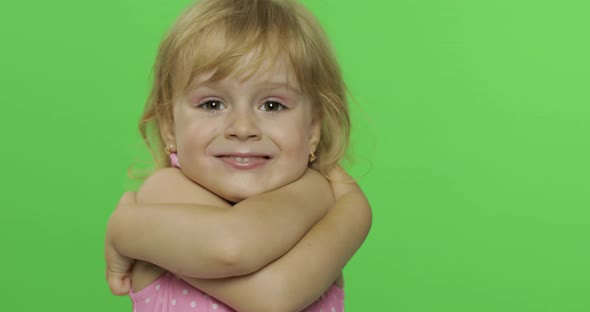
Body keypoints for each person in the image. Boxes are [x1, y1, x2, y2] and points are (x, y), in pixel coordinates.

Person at [105, 0, 372, 311]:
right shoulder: (165, 193)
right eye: (212, 104)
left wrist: (356, 211)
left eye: (272, 105)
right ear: (169, 128)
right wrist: (352, 211)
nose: (243, 128)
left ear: (313, 128)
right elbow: (234, 250)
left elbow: (275, 293)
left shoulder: (316, 198)